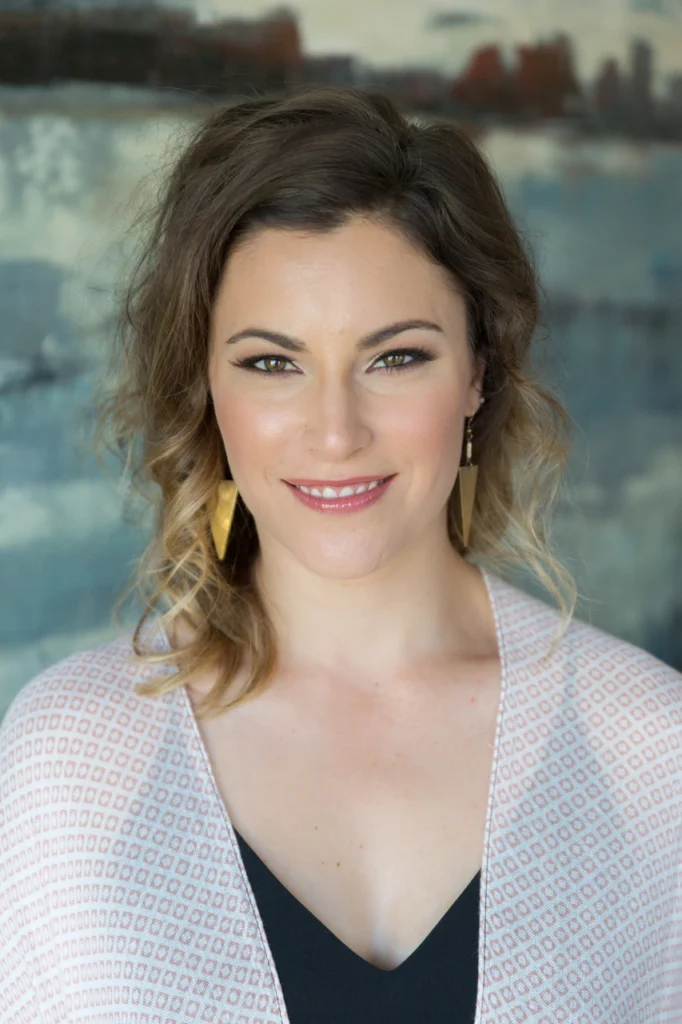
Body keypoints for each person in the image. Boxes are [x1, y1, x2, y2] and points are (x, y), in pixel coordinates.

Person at [0, 85, 680, 1024]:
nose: (334, 433)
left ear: (479, 370)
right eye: (272, 362)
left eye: (395, 357)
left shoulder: (646, 747)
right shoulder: (71, 757)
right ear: (205, 385)